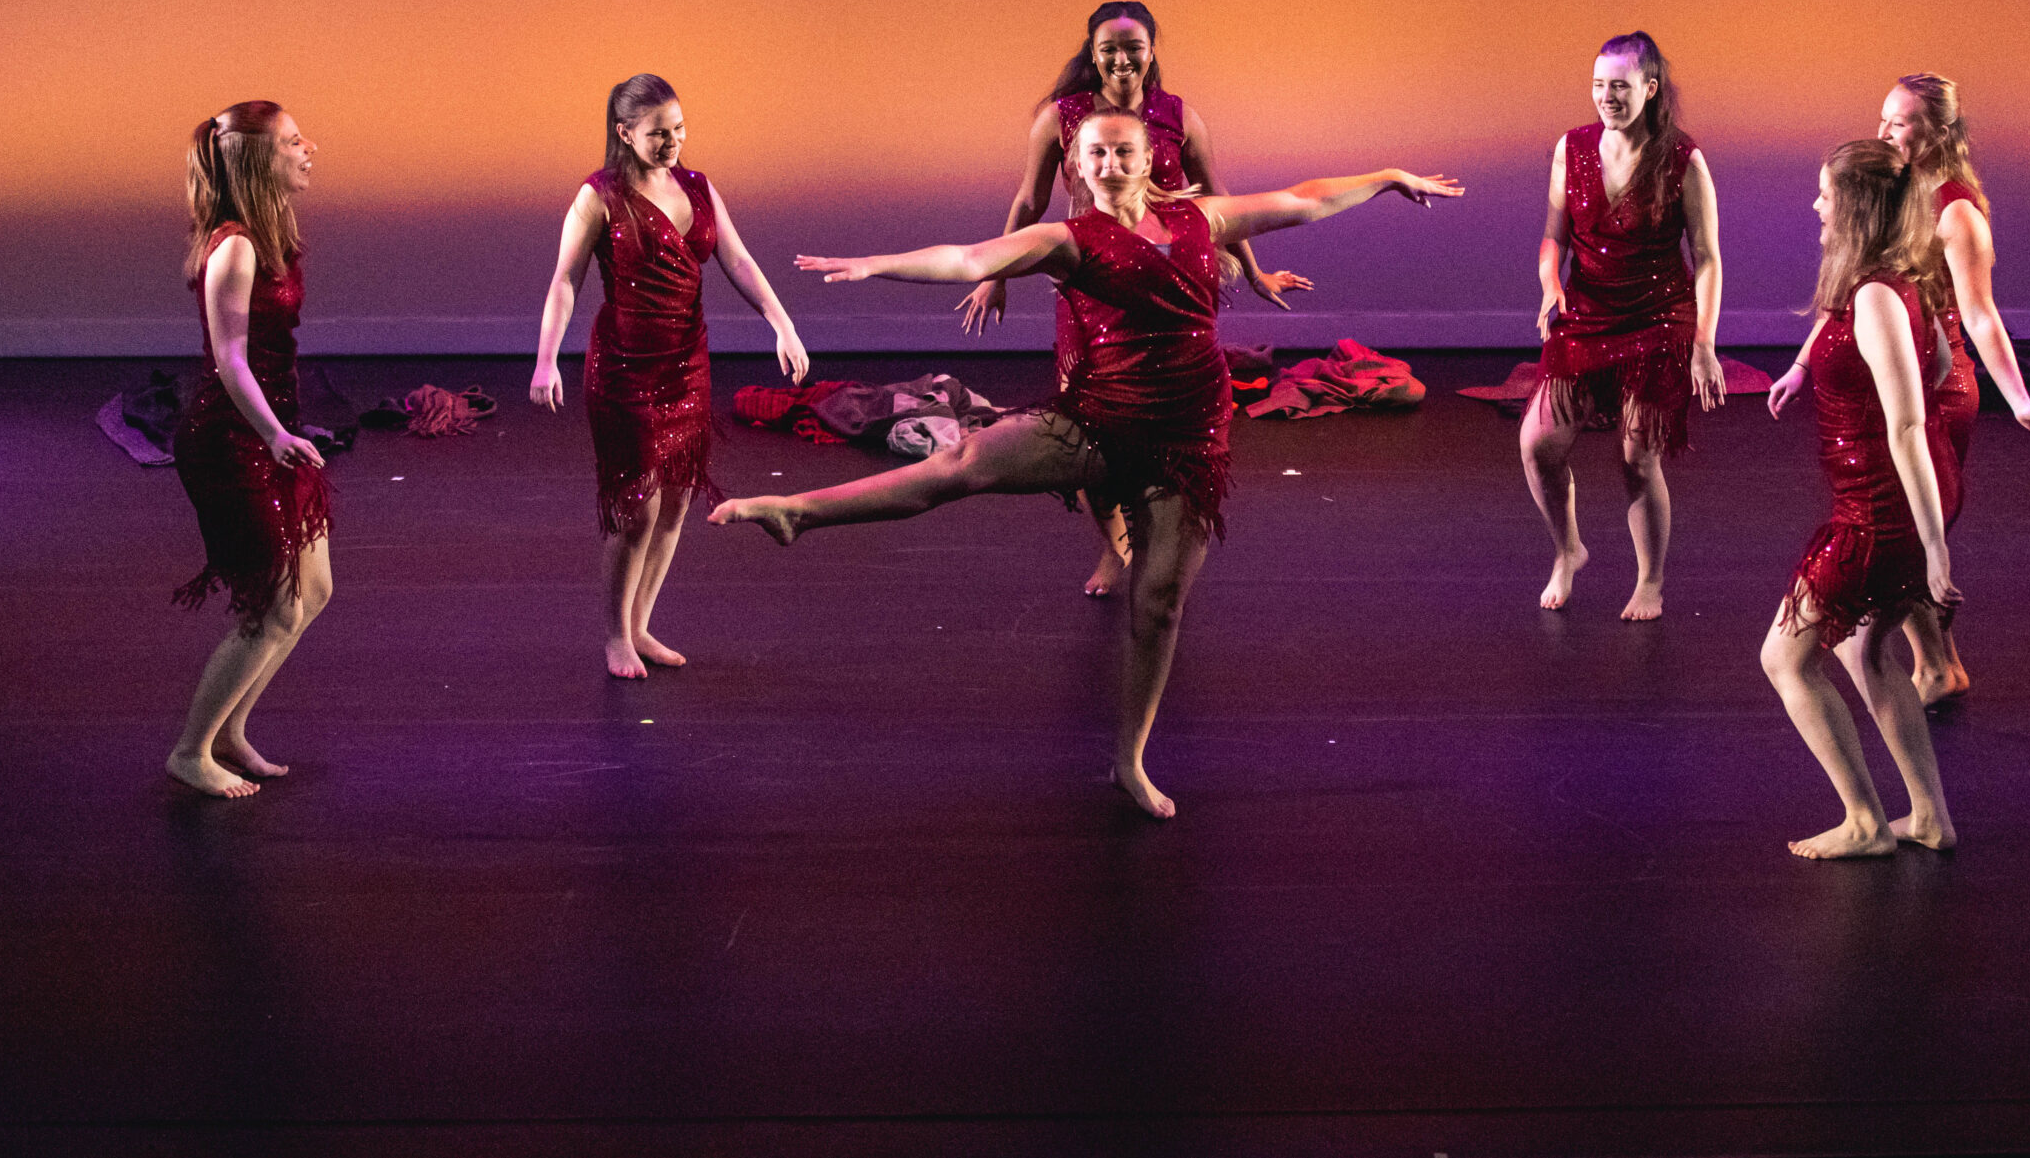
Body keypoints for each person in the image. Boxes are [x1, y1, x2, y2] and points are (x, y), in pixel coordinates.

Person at [713, 106, 1461, 818]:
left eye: (1122, 151)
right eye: (1095, 153)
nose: (1108, 163)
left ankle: (1130, 760)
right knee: (961, 462)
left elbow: (1304, 199)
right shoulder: (1070, 239)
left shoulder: (1206, 218)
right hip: (1098, 425)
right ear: (1078, 163)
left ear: (1147, 160)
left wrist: (1389, 174)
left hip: (1191, 439)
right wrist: (879, 265)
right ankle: (797, 511)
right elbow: (972, 257)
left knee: (1158, 605)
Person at [959, 1, 1312, 597]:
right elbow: (1029, 202)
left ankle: (1165, 534)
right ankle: (1114, 545)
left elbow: (1222, 204)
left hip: (1166, 288)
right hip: (1091, 291)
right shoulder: (1061, 118)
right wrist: (993, 272)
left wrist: (1254, 273)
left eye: (1134, 47)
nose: (1122, 59)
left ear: (1152, 50)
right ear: (1092, 53)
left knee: (1167, 421)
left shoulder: (1179, 118)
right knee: (1086, 426)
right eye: (1109, 49)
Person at [1769, 74, 2030, 703]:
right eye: (1883, 119)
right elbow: (1852, 285)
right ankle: (1939, 662)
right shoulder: (1886, 187)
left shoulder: (1955, 210)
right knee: (1893, 528)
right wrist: (1801, 364)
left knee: (1899, 525)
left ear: (1940, 131)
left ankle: (1935, 664)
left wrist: (2020, 401)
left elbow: (1980, 314)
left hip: (1940, 380)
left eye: (1899, 122)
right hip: (1888, 362)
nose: (1885, 132)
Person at [531, 74, 809, 679]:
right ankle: (613, 635)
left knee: (678, 502)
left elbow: (737, 259)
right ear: (625, 133)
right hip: (626, 369)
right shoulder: (598, 196)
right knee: (636, 507)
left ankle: (640, 626)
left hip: (688, 364)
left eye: (679, 130)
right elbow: (565, 281)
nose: (673, 142)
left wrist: (781, 324)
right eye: (659, 133)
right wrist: (547, 357)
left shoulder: (700, 188)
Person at [1760, 140, 1960, 858]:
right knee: (1867, 654)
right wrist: (1805, 368)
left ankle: (1866, 821)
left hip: (1873, 516)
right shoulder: (1893, 281)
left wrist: (1935, 548)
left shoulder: (1877, 295)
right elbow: (1935, 366)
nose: (1816, 205)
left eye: (1825, 194)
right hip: (1879, 505)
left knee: (1784, 661)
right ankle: (1929, 815)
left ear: (1857, 208)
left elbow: (1909, 420)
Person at [1521, 31, 1727, 621]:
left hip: (1659, 315)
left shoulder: (1682, 160)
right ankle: (1569, 551)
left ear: (1650, 88)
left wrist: (1705, 343)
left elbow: (1708, 257)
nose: (1605, 97)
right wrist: (1550, 282)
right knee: (1537, 445)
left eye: (1619, 86)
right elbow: (1554, 235)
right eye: (1597, 85)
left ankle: (1651, 579)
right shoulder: (1572, 148)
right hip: (1588, 314)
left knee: (1638, 457)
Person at [167, 102, 333, 799]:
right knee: (273, 608)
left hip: (271, 432)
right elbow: (231, 359)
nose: (310, 150)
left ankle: (232, 729)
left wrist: (282, 430)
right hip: (229, 442)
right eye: (295, 142)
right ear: (260, 160)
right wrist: (272, 433)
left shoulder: (273, 235)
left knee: (315, 589)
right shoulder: (235, 245)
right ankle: (191, 749)